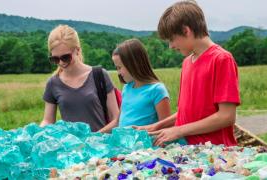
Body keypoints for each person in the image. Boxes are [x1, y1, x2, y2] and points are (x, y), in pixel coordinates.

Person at [134, 1, 240, 146]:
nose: (171, 46)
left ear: (186, 31)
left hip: (214, 152)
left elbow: (226, 116)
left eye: (172, 39)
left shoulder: (221, 59)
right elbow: (187, 113)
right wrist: (157, 126)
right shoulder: (186, 63)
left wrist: (178, 130)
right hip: (187, 150)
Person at [40, 25, 119, 132]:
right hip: (71, 147)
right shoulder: (53, 83)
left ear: (77, 50)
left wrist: (93, 138)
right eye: (55, 59)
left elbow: (116, 119)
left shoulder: (99, 75)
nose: (61, 63)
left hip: (101, 145)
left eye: (65, 57)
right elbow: (48, 121)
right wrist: (36, 133)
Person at [99, 38, 171, 133]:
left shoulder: (157, 90)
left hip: (144, 146)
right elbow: (117, 122)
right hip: (124, 145)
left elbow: (165, 128)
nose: (119, 73)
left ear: (134, 64)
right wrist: (96, 134)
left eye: (119, 67)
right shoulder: (127, 88)